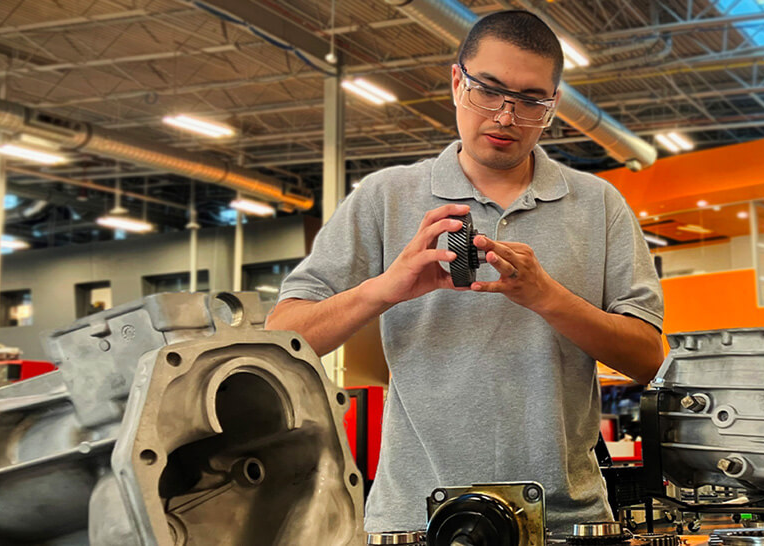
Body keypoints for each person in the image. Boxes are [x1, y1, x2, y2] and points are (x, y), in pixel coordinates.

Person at [265, 10, 665, 533]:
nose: (505, 116)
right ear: (458, 83)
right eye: (488, 91)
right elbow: (280, 338)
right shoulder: (386, 198)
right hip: (416, 520)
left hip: (567, 521)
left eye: (529, 101)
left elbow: (647, 360)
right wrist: (385, 289)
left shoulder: (599, 205)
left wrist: (547, 297)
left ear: (552, 107)